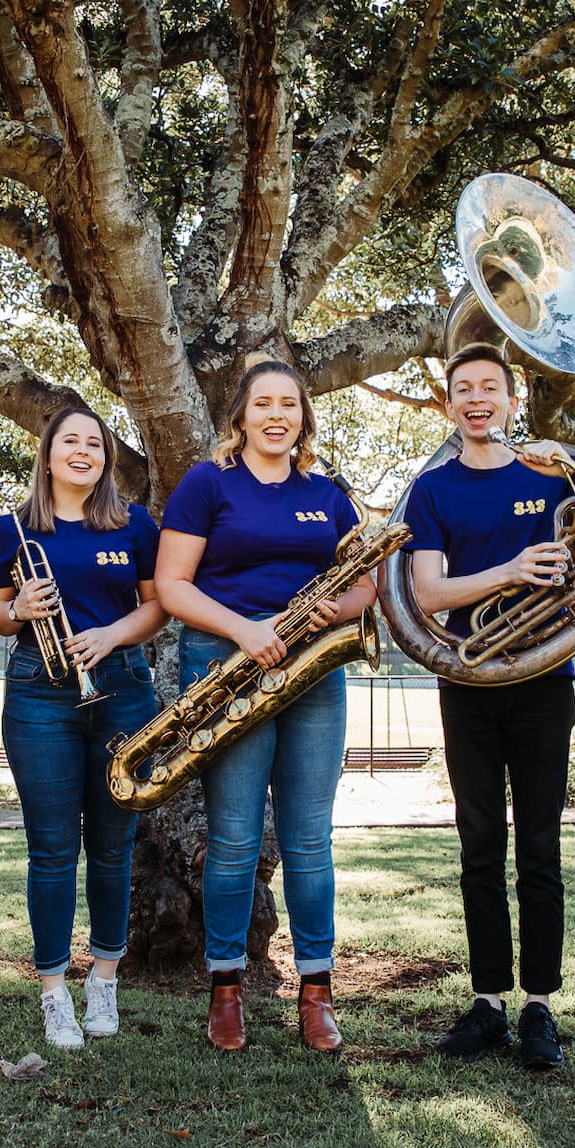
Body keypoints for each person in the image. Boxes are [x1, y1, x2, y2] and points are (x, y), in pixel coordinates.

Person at [402, 343, 575, 1070]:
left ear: (511, 401)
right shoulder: (432, 489)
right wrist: (512, 570)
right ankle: (488, 1004)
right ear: (448, 405)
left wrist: (572, 460)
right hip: (469, 683)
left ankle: (540, 1006)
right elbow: (427, 593)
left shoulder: (547, 471)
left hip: (544, 684)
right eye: (463, 389)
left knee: (540, 850)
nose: (477, 398)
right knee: (479, 848)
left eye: (490, 387)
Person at [154, 358, 376, 1055]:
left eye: (290, 404)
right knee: (235, 842)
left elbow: (363, 585)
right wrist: (245, 629)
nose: (277, 414)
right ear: (241, 417)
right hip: (229, 668)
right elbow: (171, 586)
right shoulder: (206, 483)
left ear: (303, 418)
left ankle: (316, 992)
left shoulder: (329, 494)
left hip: (312, 676)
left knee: (310, 841)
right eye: (264, 404)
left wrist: (336, 608)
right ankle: (227, 989)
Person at [0, 405, 167, 1050]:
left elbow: (158, 605)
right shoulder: (12, 529)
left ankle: (104, 980)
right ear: (48, 455)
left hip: (120, 689)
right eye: (69, 441)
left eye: (95, 442)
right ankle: (54, 990)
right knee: (52, 850)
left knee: (115, 847)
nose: (83, 451)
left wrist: (109, 636)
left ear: (107, 457)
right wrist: (16, 608)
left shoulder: (135, 524)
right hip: (38, 691)